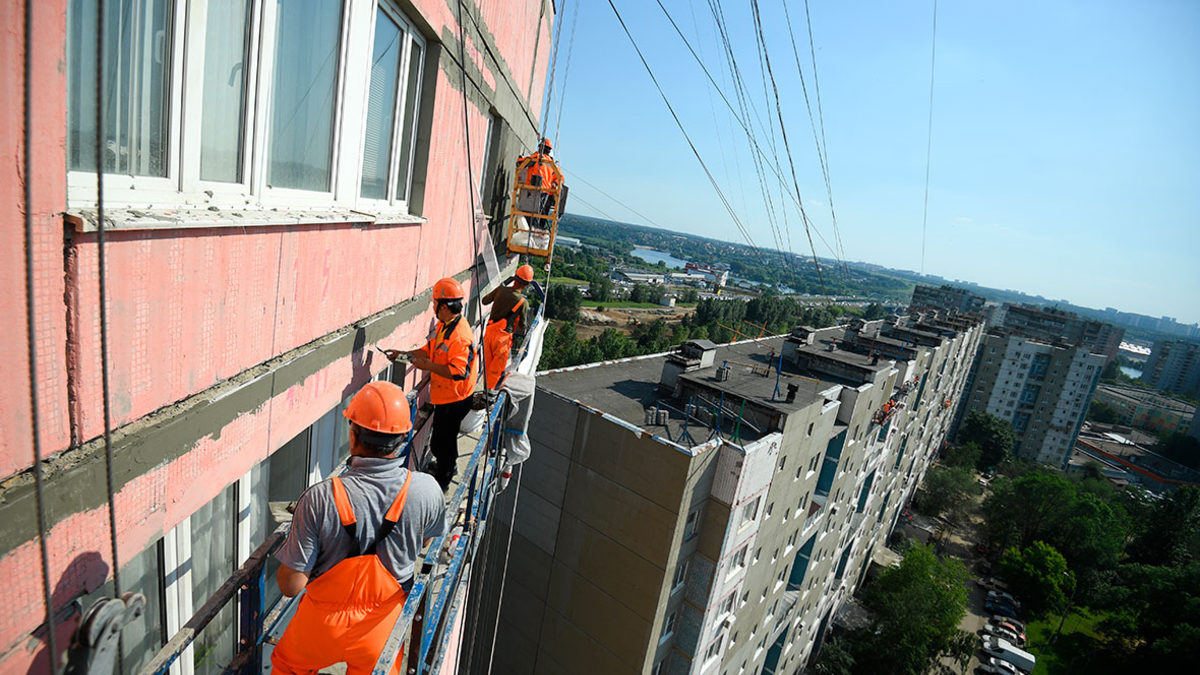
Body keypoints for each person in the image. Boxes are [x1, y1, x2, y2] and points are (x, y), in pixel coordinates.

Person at [271, 381, 447, 675]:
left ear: (353, 435)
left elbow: (291, 587)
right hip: (383, 625)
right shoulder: (427, 490)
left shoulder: (320, 497)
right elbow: (426, 544)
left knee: (288, 668)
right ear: (404, 438)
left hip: (320, 628)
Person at [393, 277, 478, 490]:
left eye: (434, 303)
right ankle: (447, 467)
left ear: (445, 306)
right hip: (448, 397)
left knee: (442, 443)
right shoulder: (447, 326)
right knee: (443, 441)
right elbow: (430, 350)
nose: (432, 306)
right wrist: (405, 355)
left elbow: (459, 372)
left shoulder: (459, 336)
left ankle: (442, 483)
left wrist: (427, 366)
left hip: (455, 399)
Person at [480, 264, 544, 390]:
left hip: (488, 333)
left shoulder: (500, 290)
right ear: (527, 285)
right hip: (503, 339)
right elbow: (523, 327)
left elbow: (484, 301)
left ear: (514, 277)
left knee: (487, 367)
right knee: (496, 371)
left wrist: (501, 290)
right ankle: (488, 397)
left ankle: (485, 392)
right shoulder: (523, 302)